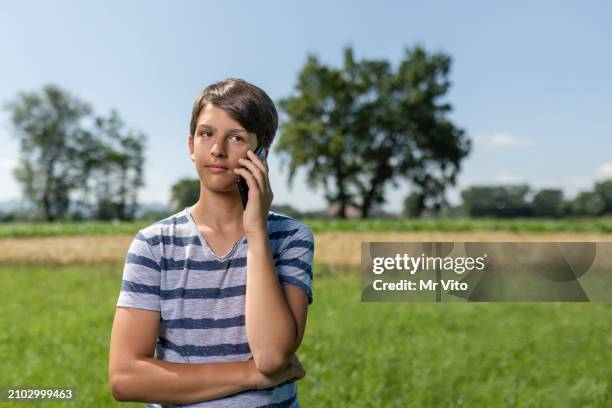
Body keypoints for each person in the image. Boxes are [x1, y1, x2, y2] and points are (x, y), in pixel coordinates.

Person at [108, 78, 314, 407]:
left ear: (261, 153)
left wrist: (257, 232)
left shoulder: (291, 238)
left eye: (236, 137)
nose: (217, 149)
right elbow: (125, 378)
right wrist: (250, 376)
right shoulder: (154, 245)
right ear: (191, 145)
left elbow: (273, 356)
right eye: (207, 134)